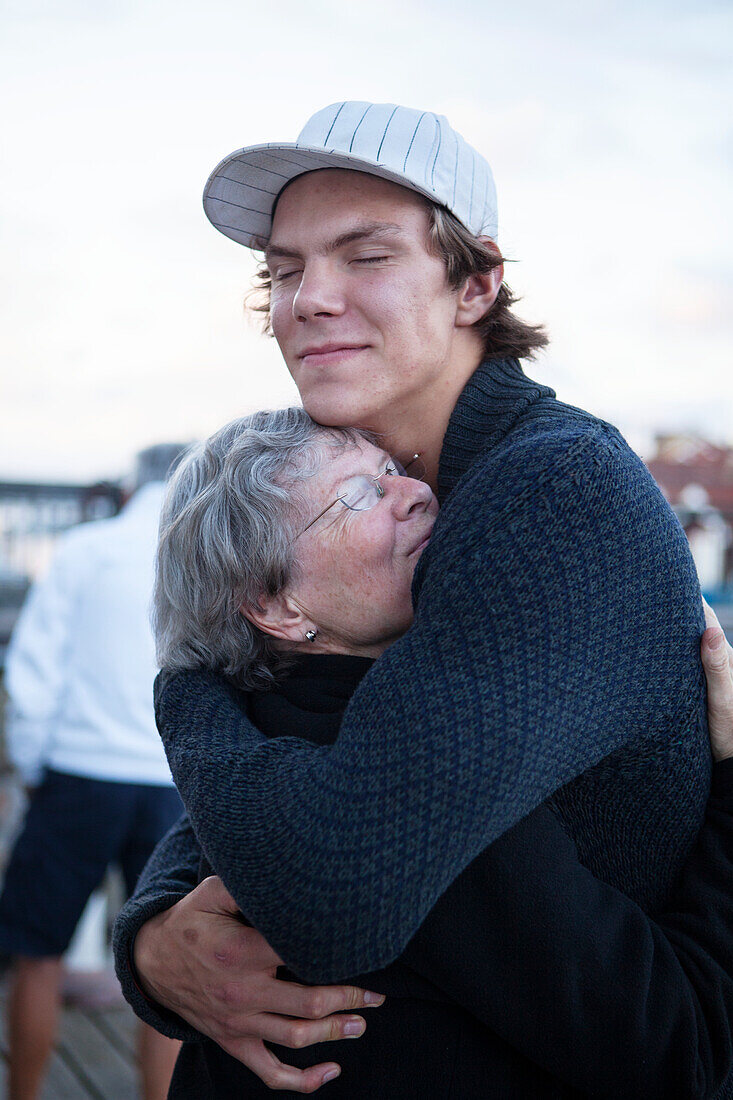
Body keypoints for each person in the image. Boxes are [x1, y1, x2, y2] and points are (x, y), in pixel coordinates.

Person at [114, 102, 730, 1091]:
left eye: (364, 255)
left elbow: (335, 881)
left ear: (475, 283)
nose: (308, 297)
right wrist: (152, 942)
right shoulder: (422, 493)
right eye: (281, 268)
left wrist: (186, 681)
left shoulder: (549, 491)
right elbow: (314, 741)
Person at [127, 408, 733, 1098]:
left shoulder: (266, 721)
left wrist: (141, 935)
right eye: (357, 495)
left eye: (391, 470)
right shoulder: (403, 783)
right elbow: (682, 1050)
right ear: (276, 606)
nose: (414, 493)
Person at [0, 444, 187, 1100]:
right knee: (169, 968)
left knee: (37, 952)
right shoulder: (205, 550)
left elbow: (34, 668)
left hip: (78, 774)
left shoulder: (86, 550)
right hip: (173, 783)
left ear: (132, 485)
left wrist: (30, 765)